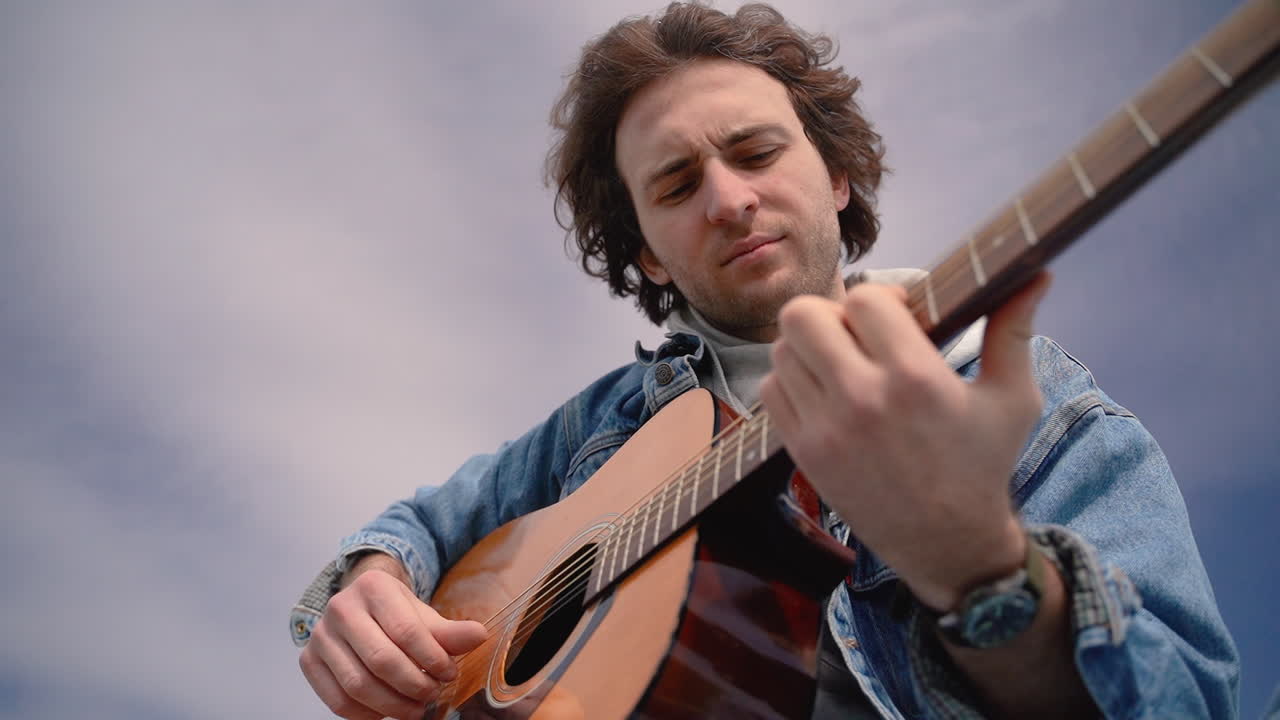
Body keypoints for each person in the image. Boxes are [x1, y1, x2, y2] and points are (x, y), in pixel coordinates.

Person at [289, 4, 1238, 719]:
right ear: (649, 252)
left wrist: (981, 572)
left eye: (755, 152)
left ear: (834, 176)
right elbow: (422, 523)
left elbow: (1183, 700)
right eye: (676, 184)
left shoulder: (1037, 408)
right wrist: (370, 584)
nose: (729, 200)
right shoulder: (606, 421)